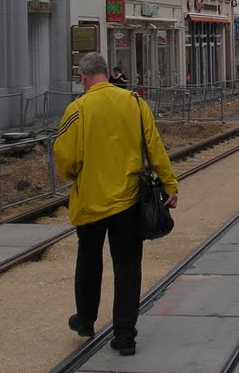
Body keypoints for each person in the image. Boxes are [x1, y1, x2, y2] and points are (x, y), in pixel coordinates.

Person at [54, 53, 179, 356]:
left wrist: (76, 173)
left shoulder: (78, 109)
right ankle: (125, 336)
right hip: (128, 201)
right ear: (108, 74)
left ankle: (85, 320)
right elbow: (155, 147)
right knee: (127, 266)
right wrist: (170, 184)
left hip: (90, 202)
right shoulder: (135, 103)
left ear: (84, 77)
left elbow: (65, 159)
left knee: (89, 259)